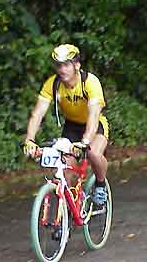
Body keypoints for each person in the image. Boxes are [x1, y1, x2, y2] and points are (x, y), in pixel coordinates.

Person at [23, 44, 109, 205]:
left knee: (93, 153)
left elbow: (94, 114)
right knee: (65, 170)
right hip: (71, 127)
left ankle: (100, 184)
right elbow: (38, 113)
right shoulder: (53, 84)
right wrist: (30, 140)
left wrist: (85, 142)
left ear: (77, 65)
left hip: (94, 125)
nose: (62, 69)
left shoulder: (90, 82)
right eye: (59, 65)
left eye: (66, 65)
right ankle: (67, 213)